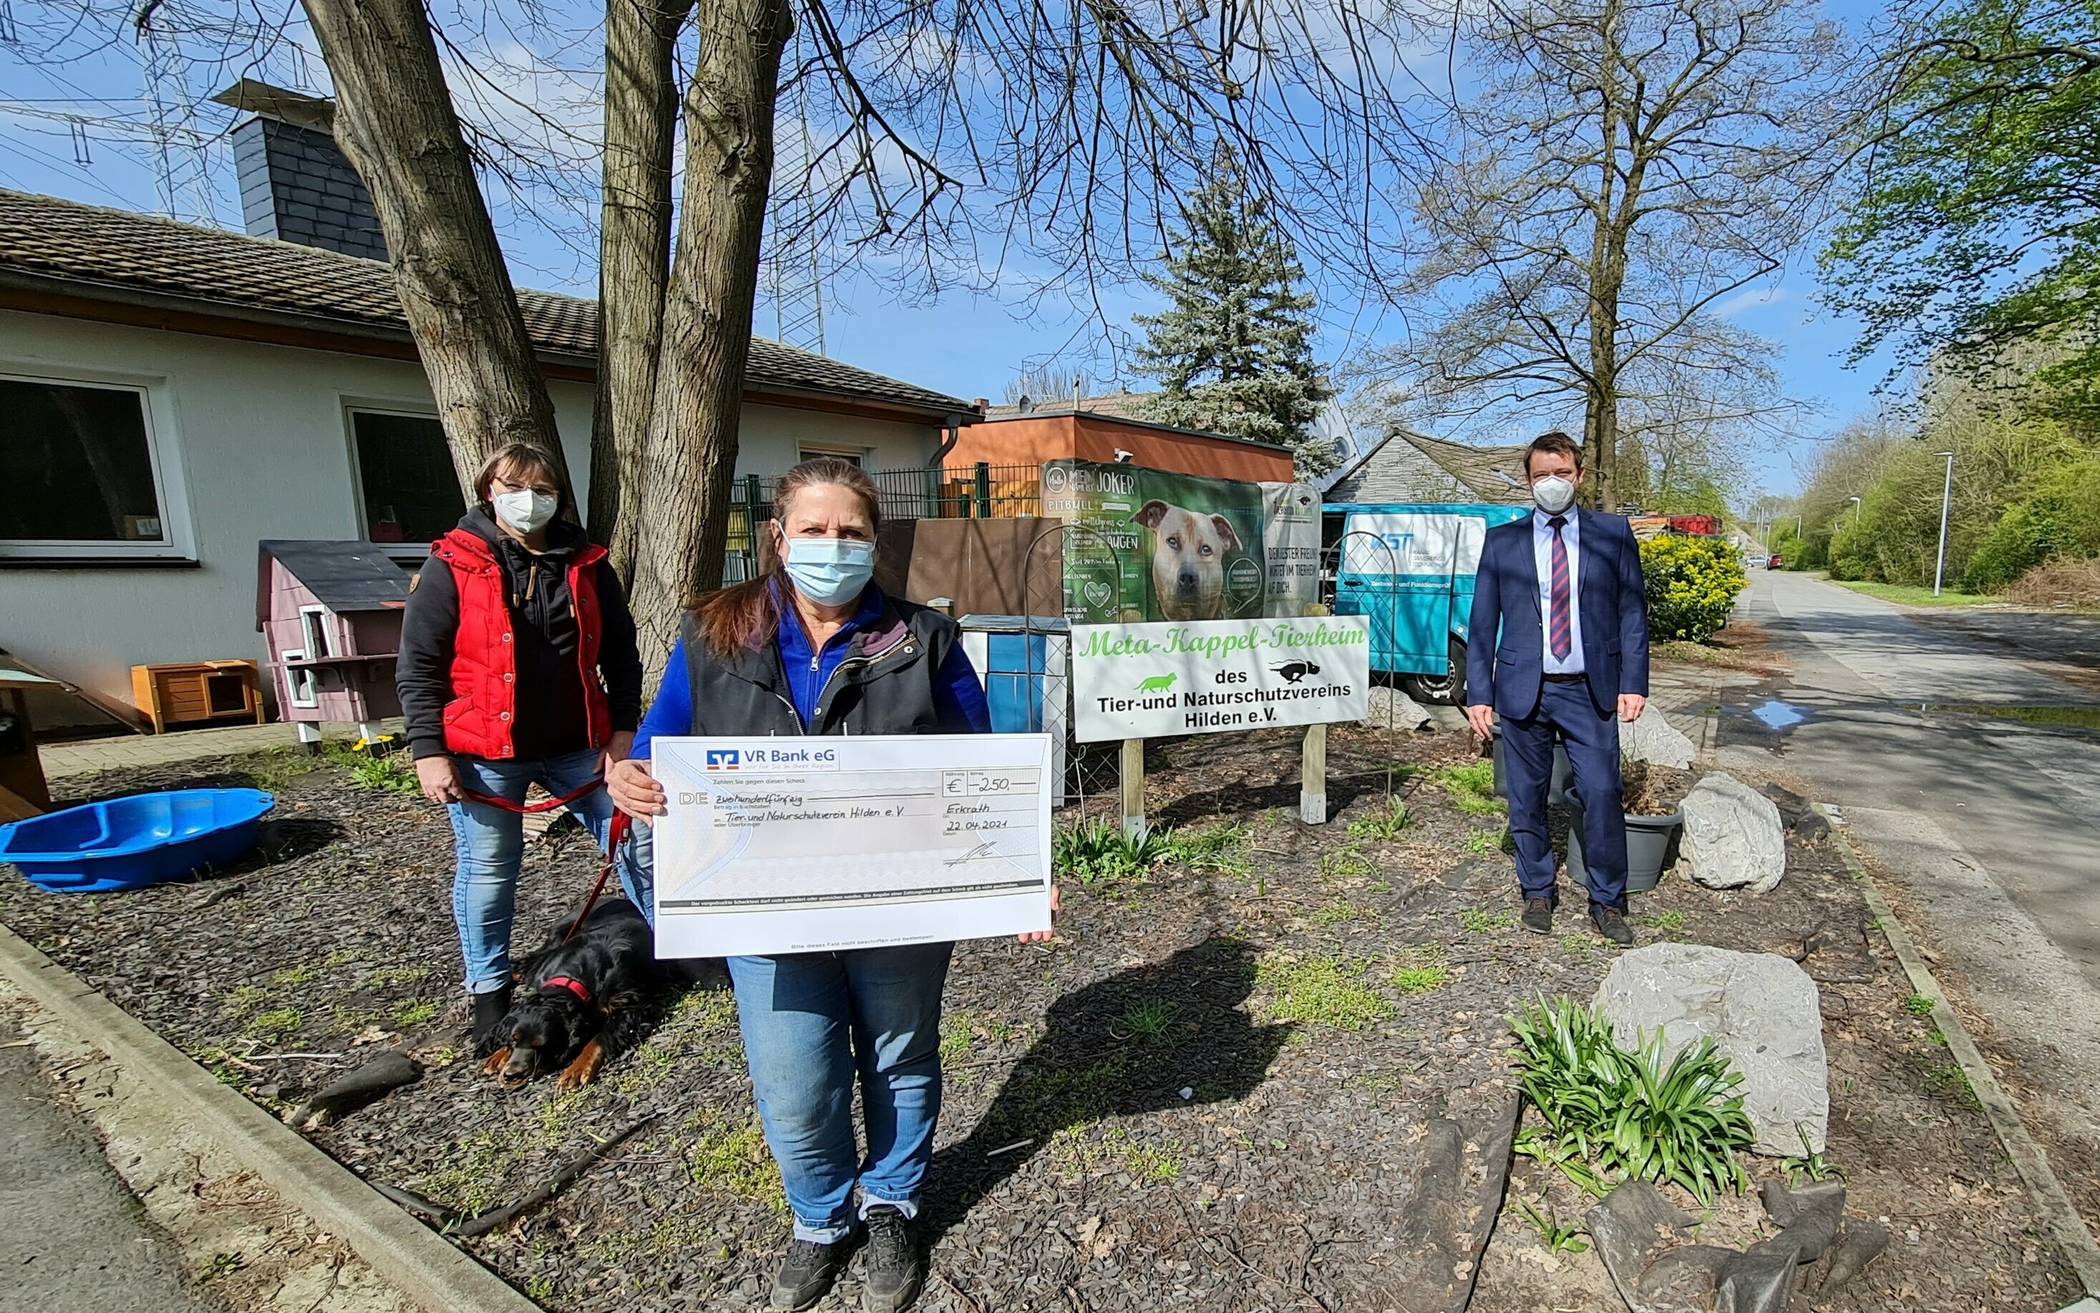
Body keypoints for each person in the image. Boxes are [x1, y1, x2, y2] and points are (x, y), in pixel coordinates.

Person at [607, 457, 1052, 1313]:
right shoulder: (713, 633)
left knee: (899, 1054)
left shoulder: (924, 638)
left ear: (873, 539)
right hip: (765, 904)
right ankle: (820, 1218)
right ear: (779, 537)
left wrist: (1020, 873)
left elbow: (982, 766)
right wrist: (633, 779)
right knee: (795, 1076)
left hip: (900, 897)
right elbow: (663, 740)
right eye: (813, 529)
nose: (832, 545)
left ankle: (892, 1202)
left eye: (850, 530)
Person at [395, 442, 645, 1055]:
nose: (528, 501)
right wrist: (429, 748)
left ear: (558, 496)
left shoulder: (588, 563)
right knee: (489, 870)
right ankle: (488, 992)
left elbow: (621, 654)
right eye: (513, 487)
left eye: (541, 489)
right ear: (489, 491)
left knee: (641, 844)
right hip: (484, 752)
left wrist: (621, 728)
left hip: (578, 746)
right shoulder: (451, 565)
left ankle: (672, 953)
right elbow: (419, 665)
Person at [1463, 431, 1650, 946]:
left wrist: (1634, 681)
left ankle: (1608, 900)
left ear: (1580, 476)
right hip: (1524, 688)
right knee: (1525, 796)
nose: (1552, 483)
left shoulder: (1612, 534)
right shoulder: (1504, 541)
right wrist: (1479, 693)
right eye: (1541, 475)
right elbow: (1483, 622)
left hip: (1591, 690)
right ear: (1528, 480)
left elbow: (1632, 611)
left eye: (1561, 474)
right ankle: (1537, 890)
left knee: (1602, 792)